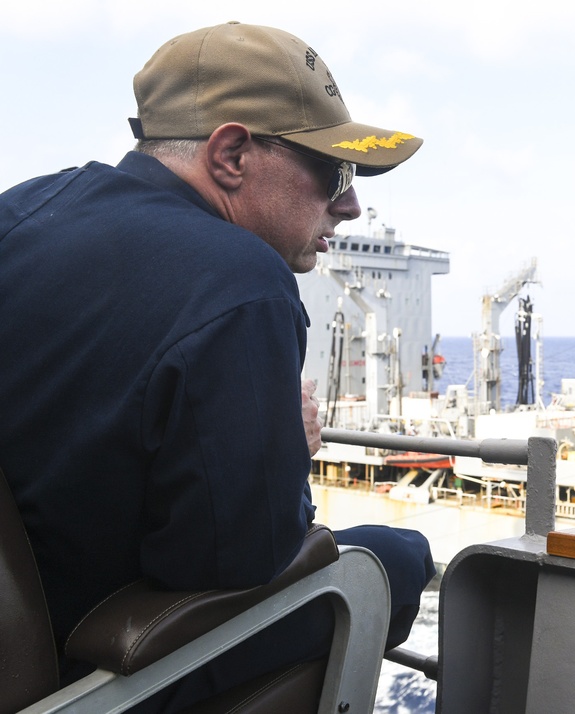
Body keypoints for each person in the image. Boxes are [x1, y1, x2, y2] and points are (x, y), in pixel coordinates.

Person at [0, 21, 434, 711]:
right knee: (397, 559)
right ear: (231, 153)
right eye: (335, 170)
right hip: (88, 675)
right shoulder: (242, 284)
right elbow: (234, 567)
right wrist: (286, 449)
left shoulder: (23, 211)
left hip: (24, 629)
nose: (349, 205)